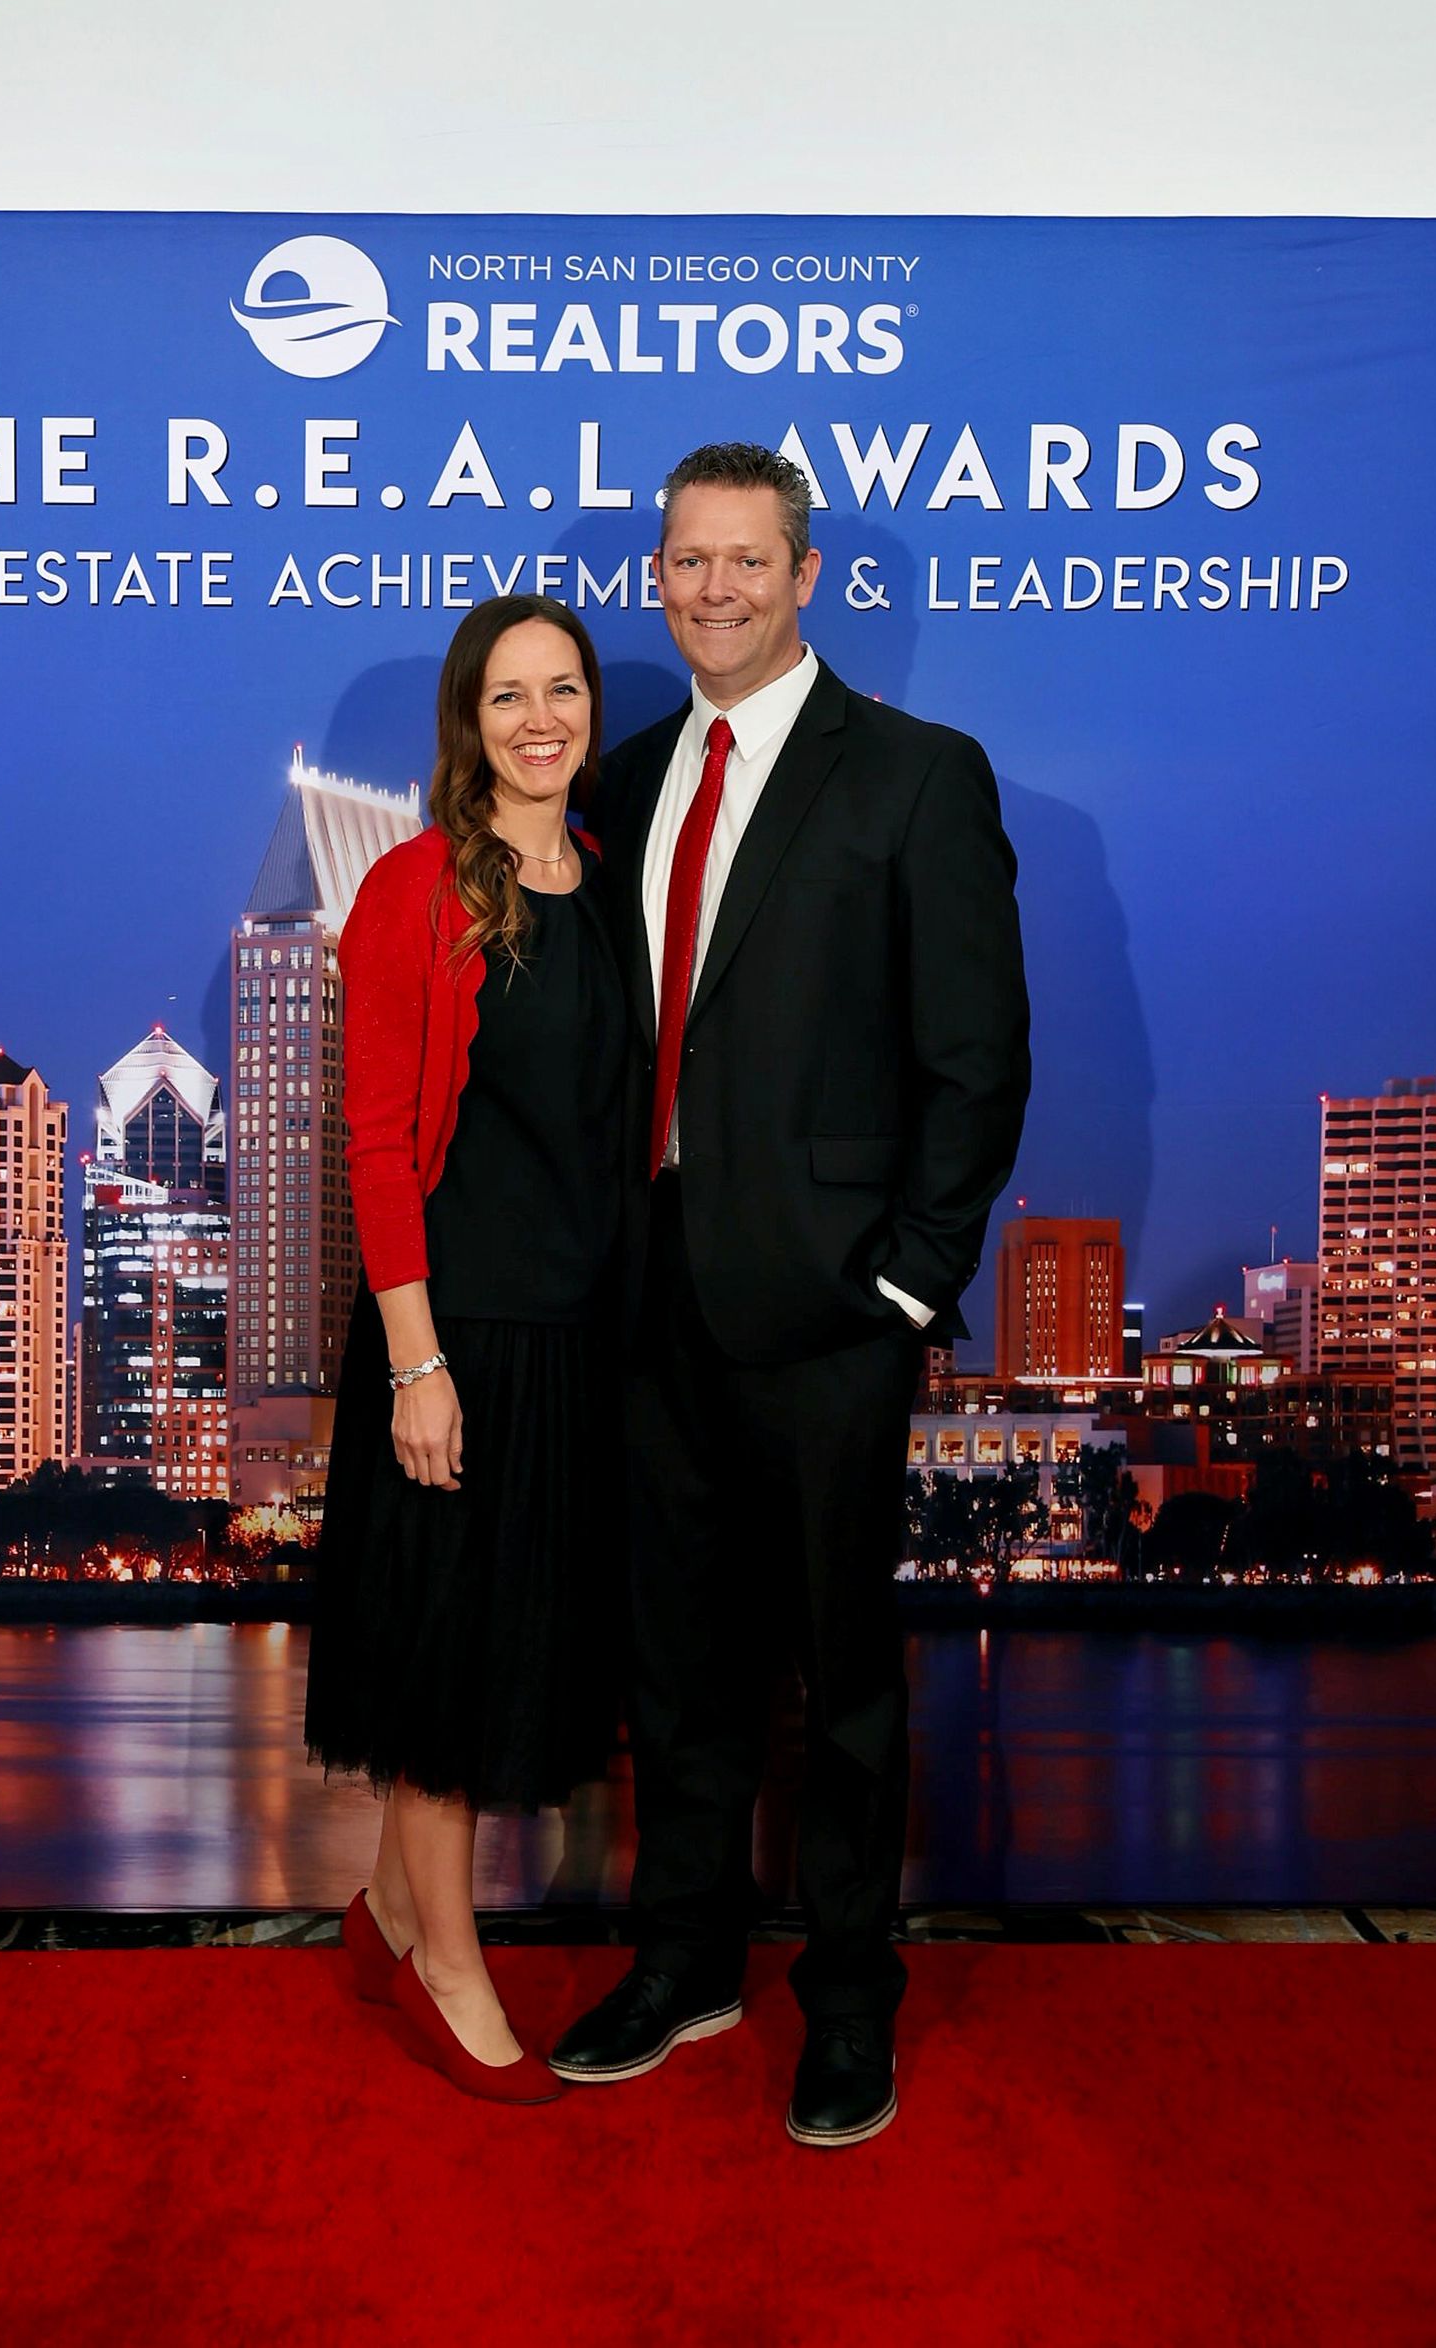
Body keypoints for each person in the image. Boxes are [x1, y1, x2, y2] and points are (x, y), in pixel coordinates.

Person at [548, 440, 1031, 2146]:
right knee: (677, 1665)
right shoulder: (620, 783)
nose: (717, 589)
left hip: (832, 1312)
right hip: (648, 1298)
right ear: (658, 579)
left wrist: (908, 1284)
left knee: (842, 1680)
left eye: (748, 559)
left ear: (807, 574)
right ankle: (684, 1960)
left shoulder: (916, 775)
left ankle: (848, 2000)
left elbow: (977, 1060)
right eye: (689, 560)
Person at [304, 593, 623, 2105]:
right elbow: (375, 1143)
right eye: (508, 695)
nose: (539, 719)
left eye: (563, 689)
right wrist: (416, 1365)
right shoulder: (414, 888)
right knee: (448, 1678)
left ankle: (381, 1913)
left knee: (497, 1655)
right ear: (467, 721)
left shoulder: (611, 885)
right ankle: (447, 1962)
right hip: (453, 1341)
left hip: (572, 1341)